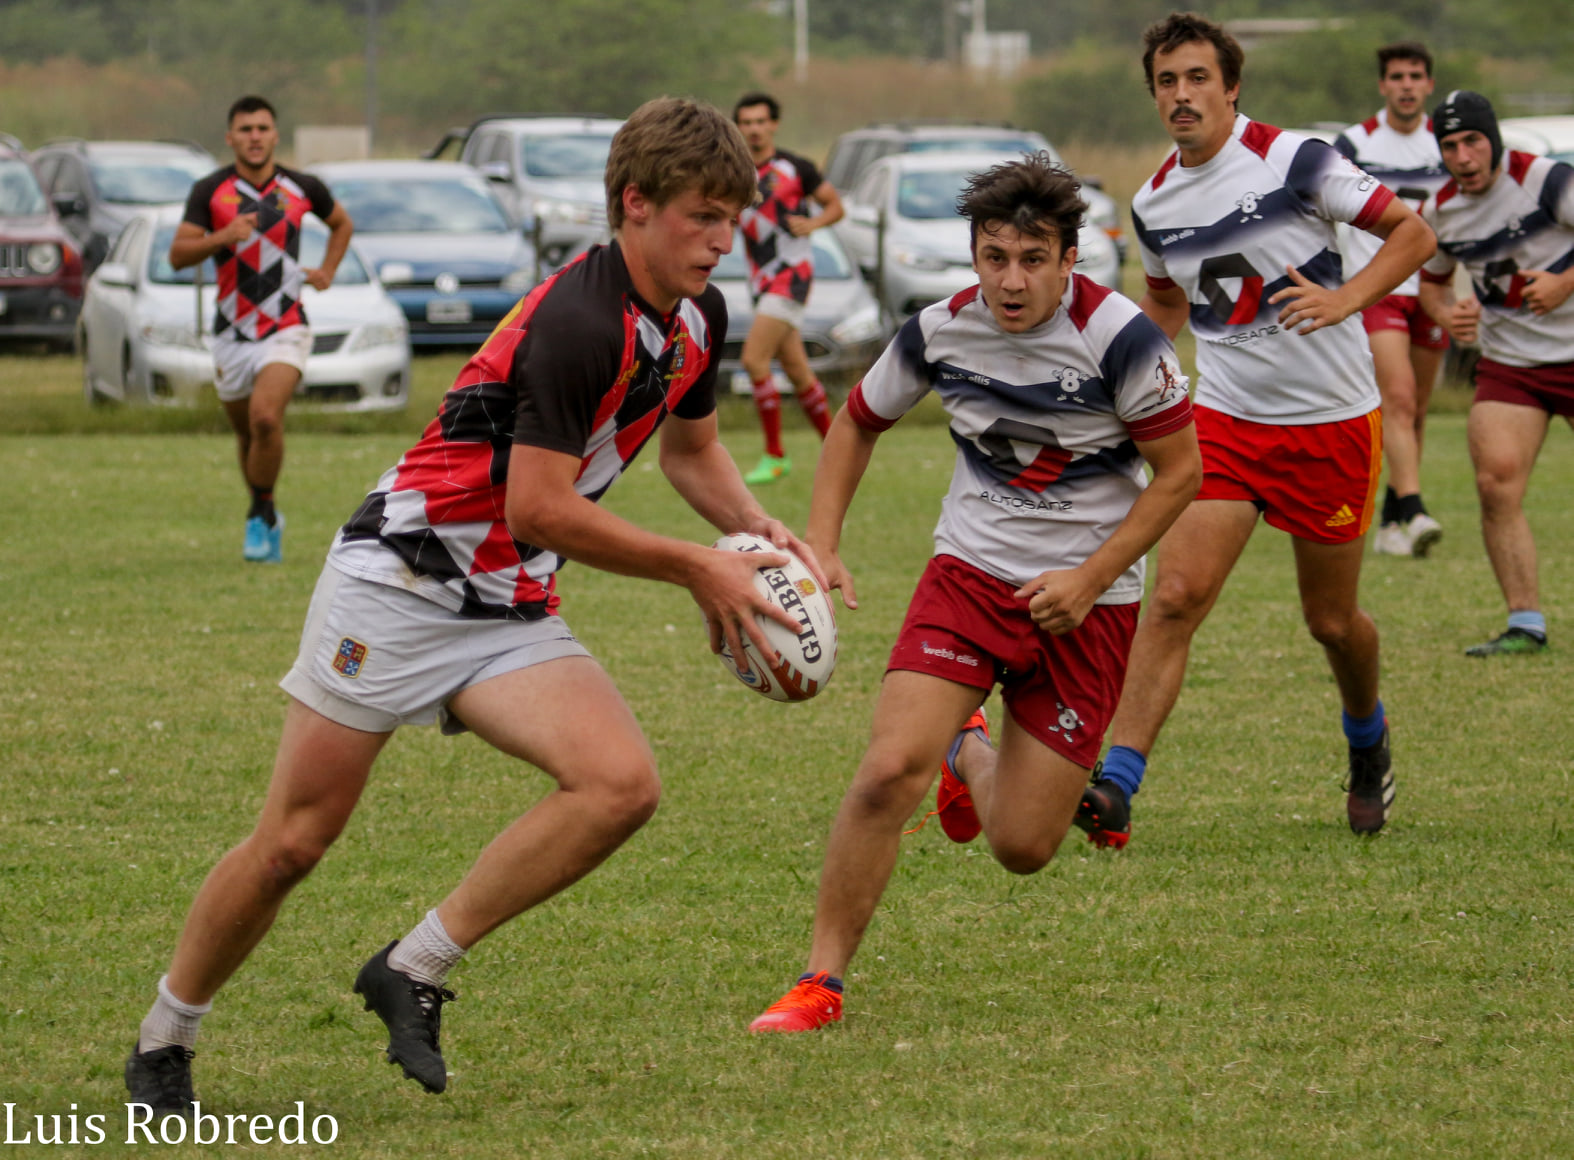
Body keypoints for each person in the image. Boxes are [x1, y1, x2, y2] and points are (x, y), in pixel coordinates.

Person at [125, 97, 820, 1117]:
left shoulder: (694, 314)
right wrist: (693, 567)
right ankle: (165, 1036)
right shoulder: (580, 320)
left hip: (507, 596)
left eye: (732, 216)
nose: (722, 239)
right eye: (700, 215)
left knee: (617, 784)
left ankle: (410, 965)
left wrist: (761, 533)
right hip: (398, 581)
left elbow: (690, 448)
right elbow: (536, 501)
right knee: (292, 841)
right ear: (633, 204)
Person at [748, 153, 1202, 1033]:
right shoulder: (939, 330)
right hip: (968, 576)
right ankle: (820, 983)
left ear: (1072, 259)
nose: (1011, 279)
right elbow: (856, 421)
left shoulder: (1124, 340)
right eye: (994, 257)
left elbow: (1180, 475)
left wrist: (1089, 578)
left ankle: (969, 754)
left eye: (1032, 260)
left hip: (1087, 606)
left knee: (1025, 847)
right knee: (885, 772)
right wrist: (825, 544)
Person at [1088, 12, 1436, 848]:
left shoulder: (1294, 160)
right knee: (1173, 598)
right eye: (1167, 82)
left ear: (1231, 85)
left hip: (1332, 427)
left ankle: (1366, 737)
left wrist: (1346, 299)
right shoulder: (1152, 200)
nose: (1182, 96)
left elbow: (1413, 234)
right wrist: (1118, 372)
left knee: (1332, 623)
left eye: (1197, 78)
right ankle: (1116, 785)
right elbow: (1169, 300)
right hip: (1227, 422)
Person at [1417, 91, 1574, 656]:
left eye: (1473, 141)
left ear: (1494, 141)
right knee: (1494, 483)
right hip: (1513, 367)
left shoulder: (1547, 181)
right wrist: (1447, 315)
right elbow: (1432, 283)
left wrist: (1564, 282)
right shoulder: (1441, 212)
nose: (1463, 156)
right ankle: (1525, 624)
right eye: (1450, 146)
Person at [173, 95, 354, 564]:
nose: (254, 136)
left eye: (262, 128)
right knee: (248, 434)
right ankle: (265, 510)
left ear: (275, 135)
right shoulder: (210, 190)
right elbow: (178, 254)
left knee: (266, 418)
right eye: (245, 129)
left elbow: (341, 224)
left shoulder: (302, 186)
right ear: (230, 137)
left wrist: (328, 271)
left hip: (286, 324)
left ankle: (261, 513)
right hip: (231, 330)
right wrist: (221, 236)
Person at [1335, 43, 1452, 558]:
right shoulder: (1355, 142)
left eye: (1416, 76)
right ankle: (1416, 508)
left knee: (1417, 410)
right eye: (1397, 77)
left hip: (1431, 289)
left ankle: (1391, 521)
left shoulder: (1446, 143)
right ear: (1383, 86)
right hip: (1377, 288)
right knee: (1399, 399)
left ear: (1429, 85)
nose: (1407, 85)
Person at [732, 92, 845, 485]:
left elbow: (835, 206)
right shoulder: (734, 172)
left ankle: (775, 456)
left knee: (753, 360)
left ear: (774, 125)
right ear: (739, 128)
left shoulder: (796, 167)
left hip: (791, 276)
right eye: (746, 123)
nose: (754, 129)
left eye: (761, 121)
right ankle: (839, 447)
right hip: (760, 280)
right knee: (798, 372)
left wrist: (812, 225)